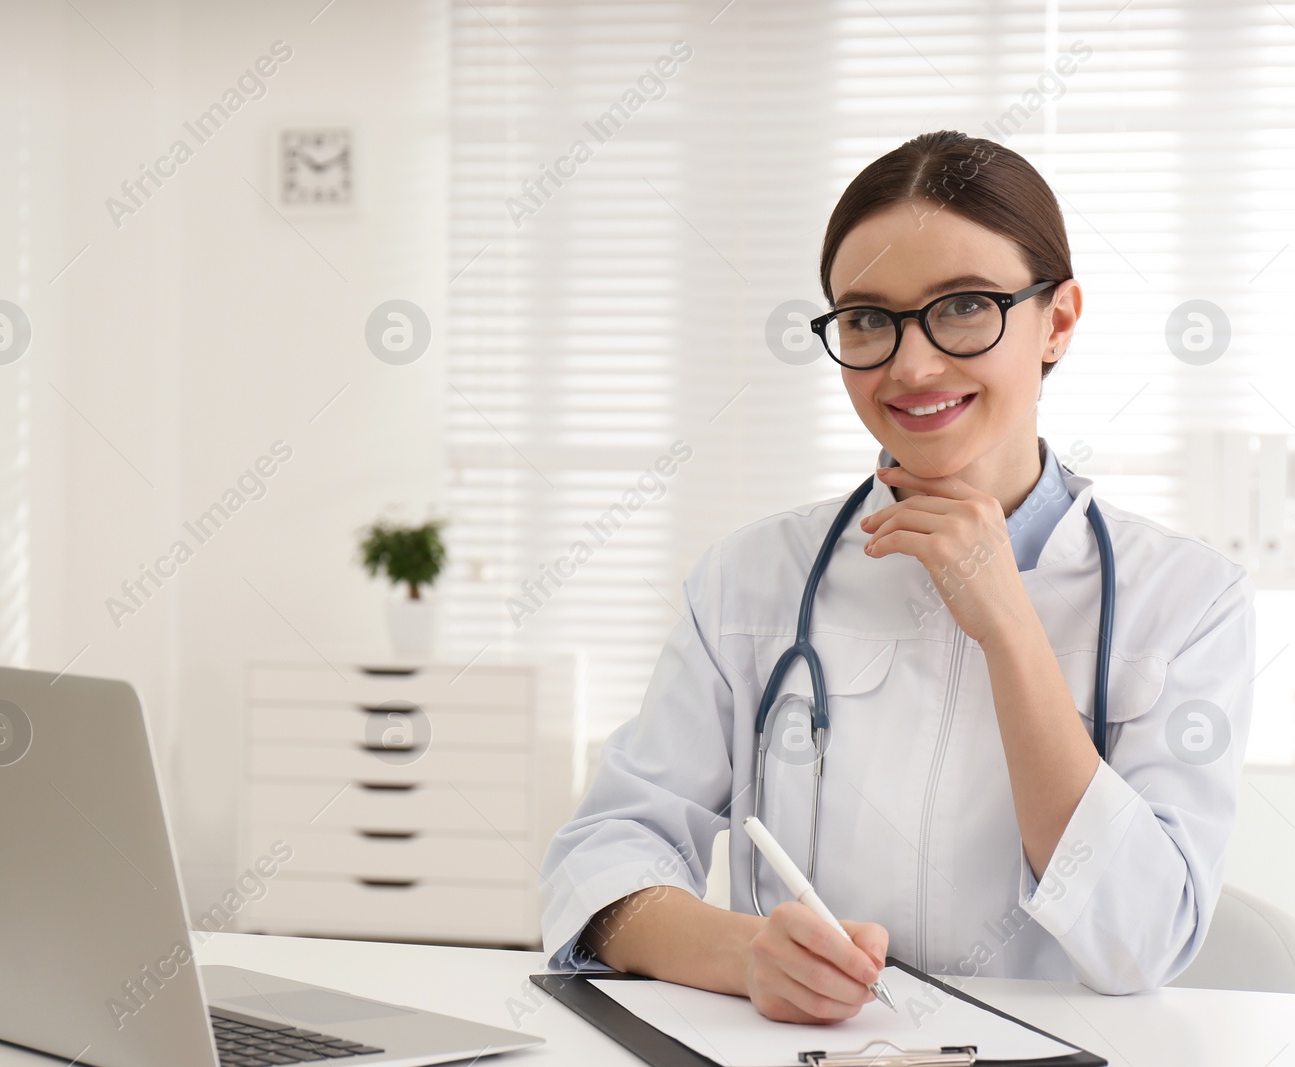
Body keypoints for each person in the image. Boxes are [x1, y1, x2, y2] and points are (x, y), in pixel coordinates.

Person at [537, 130, 1255, 1024]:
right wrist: (745, 955)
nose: (911, 365)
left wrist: (1010, 627)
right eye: (869, 318)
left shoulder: (1187, 599)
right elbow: (604, 856)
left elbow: (1142, 939)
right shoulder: (751, 577)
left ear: (1058, 320)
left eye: (962, 307)